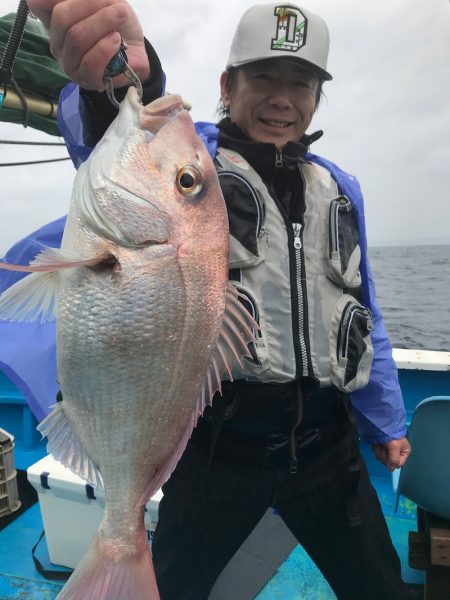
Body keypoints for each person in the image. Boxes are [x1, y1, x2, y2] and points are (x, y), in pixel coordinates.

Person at [26, 1, 417, 599]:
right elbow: (117, 144)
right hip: (216, 449)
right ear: (226, 85)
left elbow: (365, 314)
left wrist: (386, 421)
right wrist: (123, 77)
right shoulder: (193, 159)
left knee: (381, 588)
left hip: (325, 446)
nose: (283, 98)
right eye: (263, 77)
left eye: (302, 82)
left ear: (317, 97)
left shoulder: (340, 188)